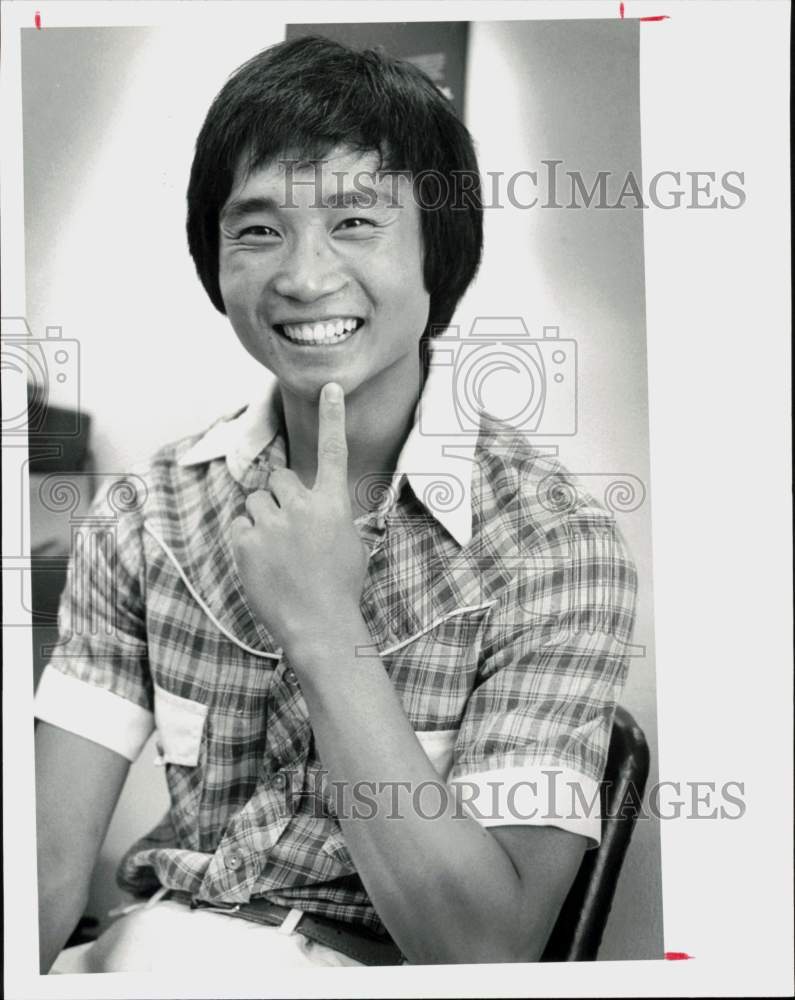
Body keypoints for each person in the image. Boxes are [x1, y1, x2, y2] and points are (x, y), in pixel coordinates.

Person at [34, 35, 638, 972]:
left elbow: (482, 950)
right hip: (141, 953)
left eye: (356, 222)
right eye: (259, 228)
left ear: (439, 251)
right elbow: (44, 868)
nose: (304, 277)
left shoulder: (555, 544)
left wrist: (322, 627)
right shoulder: (145, 516)